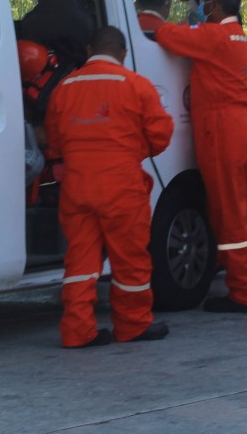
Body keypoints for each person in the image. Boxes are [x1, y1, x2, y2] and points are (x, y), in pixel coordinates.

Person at [44, 25, 174, 347]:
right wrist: (131, 151)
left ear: (90, 51)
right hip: (121, 186)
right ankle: (132, 325)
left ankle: (77, 331)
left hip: (77, 186)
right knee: (129, 260)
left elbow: (54, 140)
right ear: (123, 54)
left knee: (80, 262)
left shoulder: (65, 87)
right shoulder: (136, 86)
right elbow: (160, 135)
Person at [153, 0, 247, 313]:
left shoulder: (214, 37)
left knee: (228, 216)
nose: (202, 10)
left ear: (214, 6)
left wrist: (159, 21)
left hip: (222, 130)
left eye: (204, 5)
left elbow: (167, 37)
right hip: (241, 127)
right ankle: (242, 284)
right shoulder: (239, 37)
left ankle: (246, 292)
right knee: (233, 212)